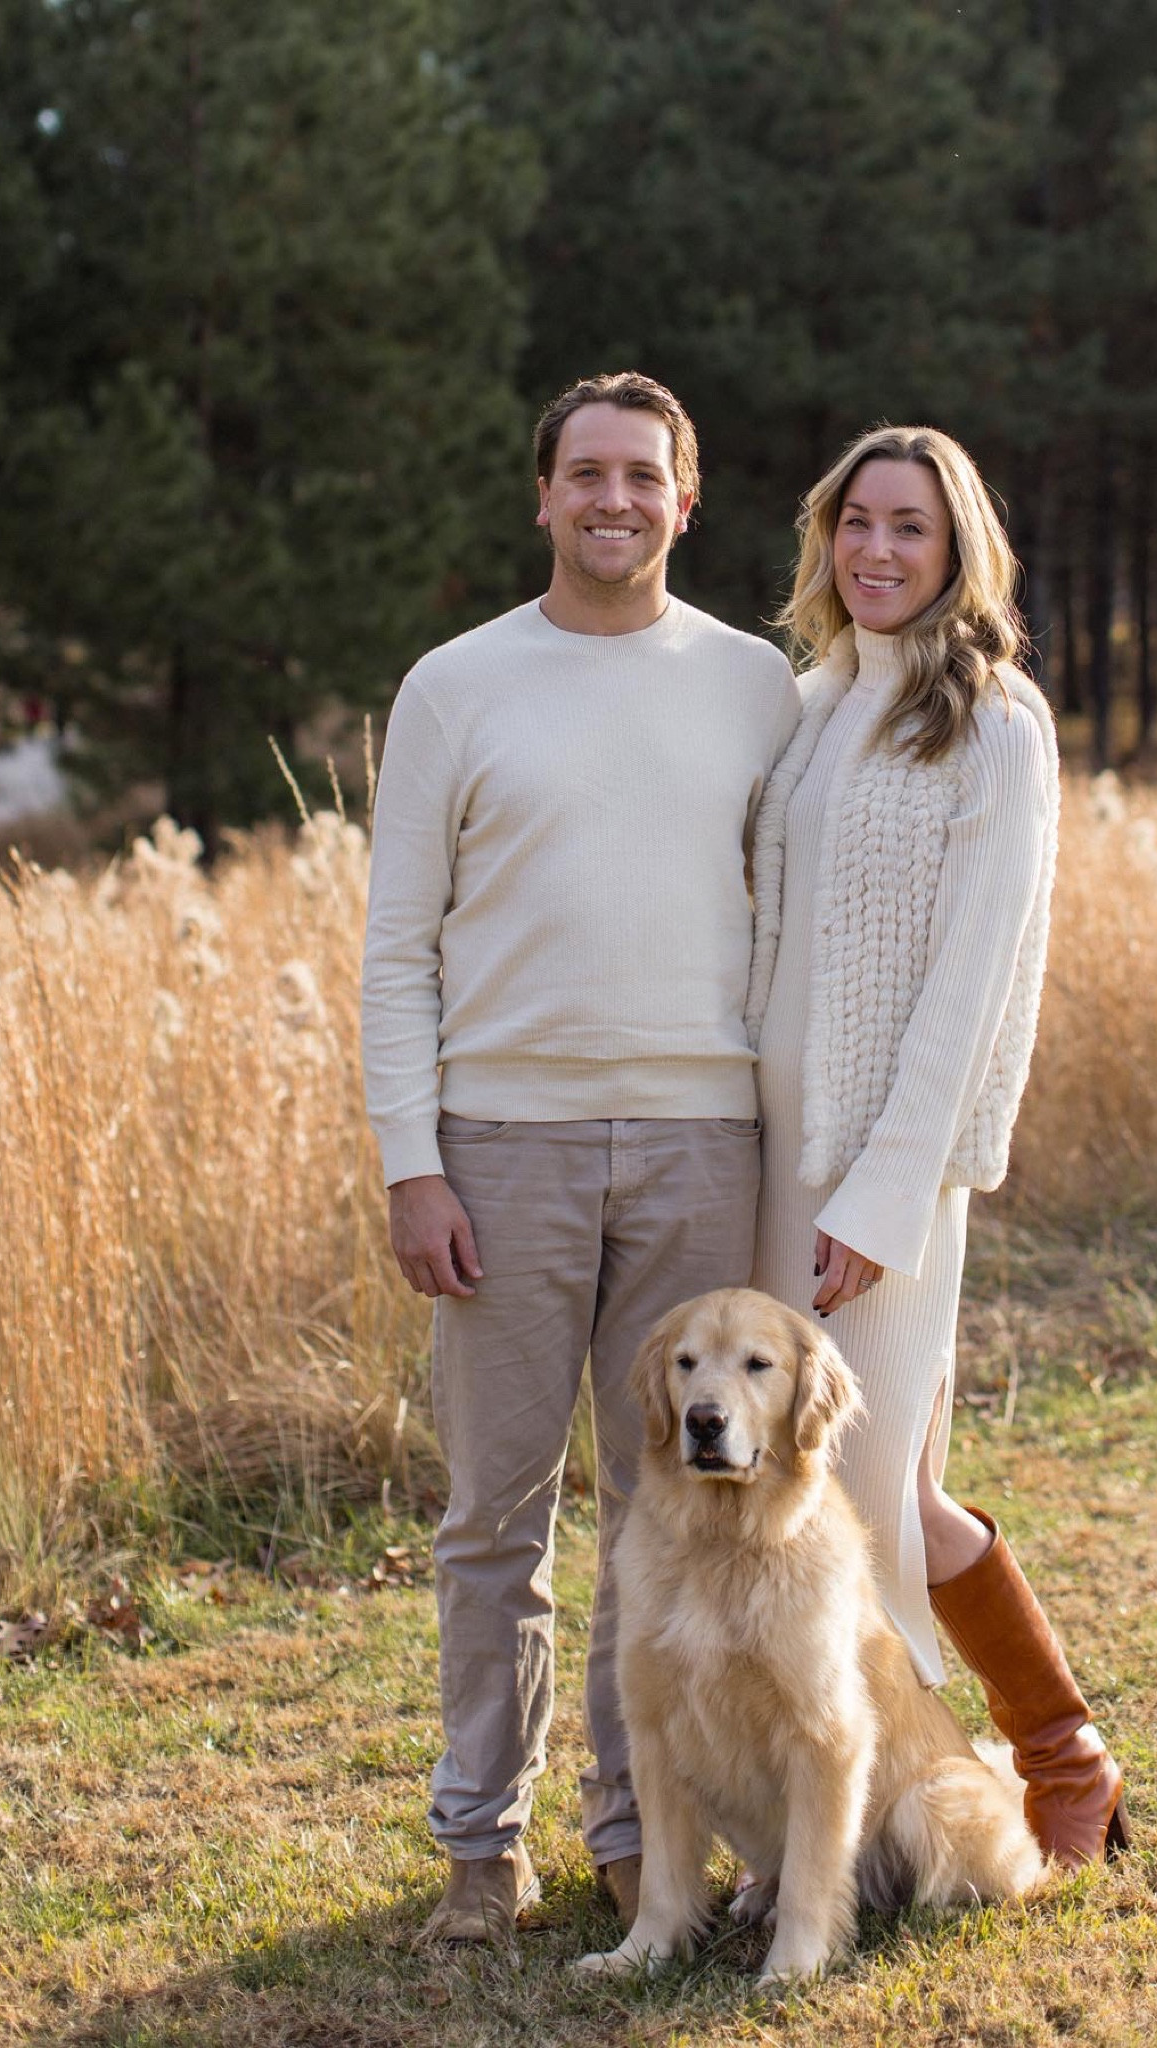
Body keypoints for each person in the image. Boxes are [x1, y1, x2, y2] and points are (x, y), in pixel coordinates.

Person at [361, 371, 801, 1944]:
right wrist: (413, 1160)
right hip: (499, 1152)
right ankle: (480, 1847)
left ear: (688, 504)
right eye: (585, 474)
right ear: (541, 495)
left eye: (643, 478)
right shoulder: (456, 686)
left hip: (700, 1144)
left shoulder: (761, 685)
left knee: (664, 1514)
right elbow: (396, 945)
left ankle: (637, 1834)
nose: (613, 501)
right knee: (494, 1520)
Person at [745, 424, 1128, 1867]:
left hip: (874, 1169)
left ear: (957, 548)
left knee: (871, 1493)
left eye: (909, 527)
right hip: (767, 1151)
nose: (877, 552)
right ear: (824, 542)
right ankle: (974, 1776)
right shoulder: (809, 701)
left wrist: (886, 1191)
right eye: (856, 524)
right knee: (814, 1487)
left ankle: (1029, 1767)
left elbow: (970, 986)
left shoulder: (994, 720)